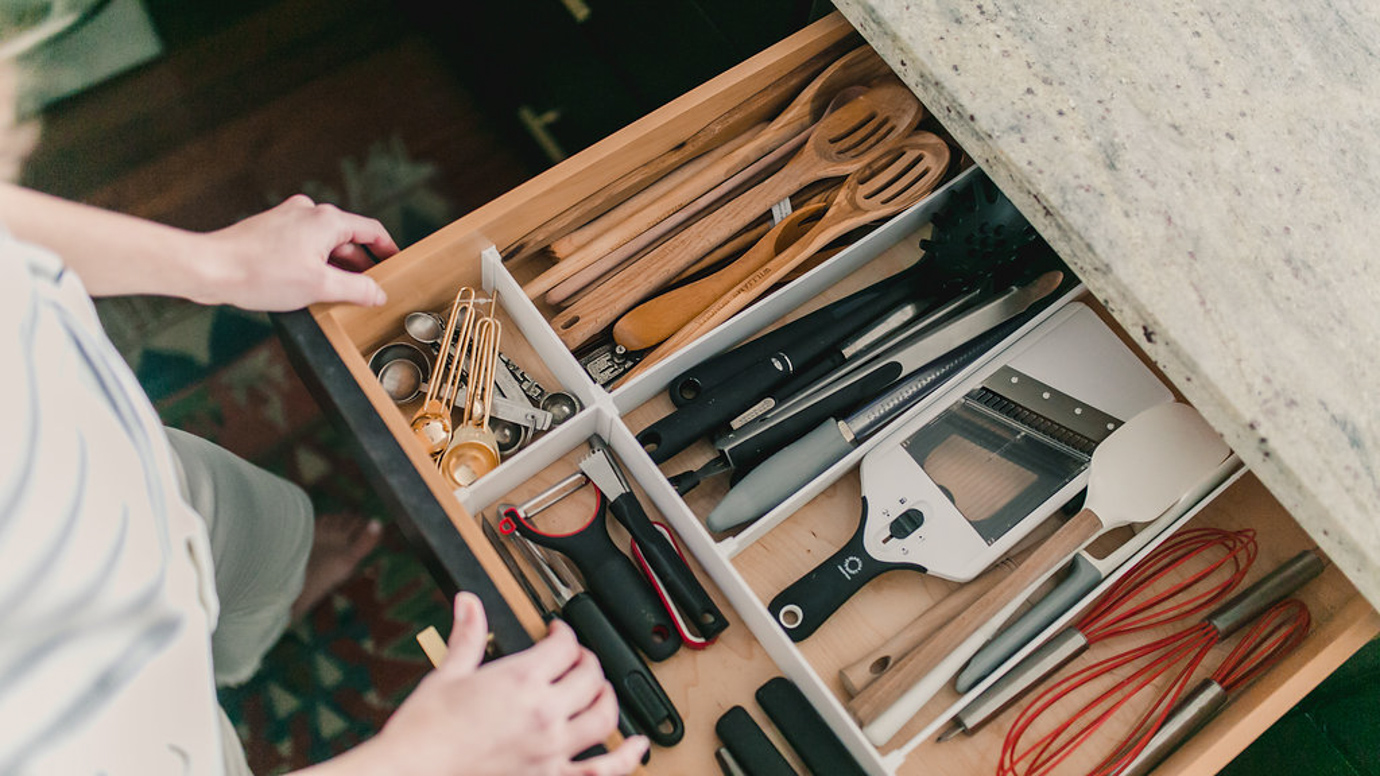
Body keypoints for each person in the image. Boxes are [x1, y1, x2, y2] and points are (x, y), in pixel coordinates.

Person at [0, 51, 645, 776]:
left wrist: (215, 263)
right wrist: (424, 760)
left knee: (273, 537)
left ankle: (252, 627)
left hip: (135, 478)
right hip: (138, 738)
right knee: (201, 717)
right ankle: (221, 669)